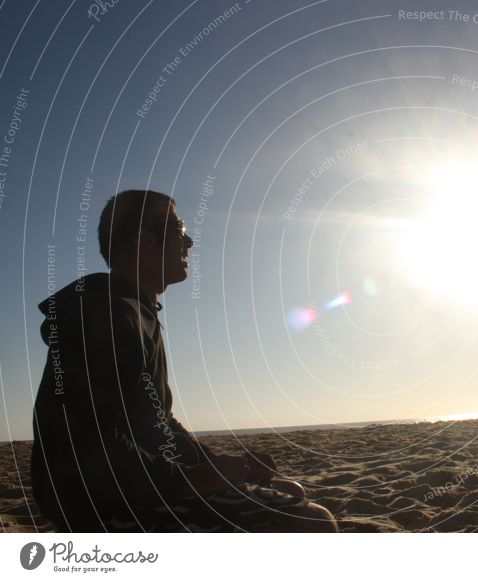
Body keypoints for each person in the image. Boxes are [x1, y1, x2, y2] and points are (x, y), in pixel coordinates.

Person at [31, 189, 337, 532]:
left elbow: (155, 420)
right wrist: (185, 481)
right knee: (312, 522)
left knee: (288, 491)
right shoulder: (105, 312)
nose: (189, 241)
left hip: (139, 489)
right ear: (144, 240)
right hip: (106, 508)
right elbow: (79, 434)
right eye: (178, 230)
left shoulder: (136, 309)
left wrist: (212, 464)